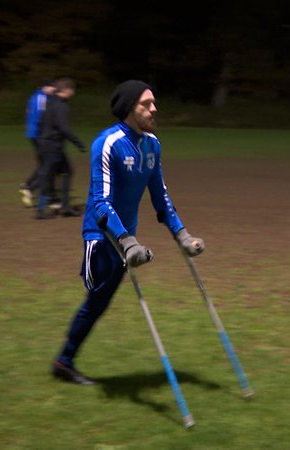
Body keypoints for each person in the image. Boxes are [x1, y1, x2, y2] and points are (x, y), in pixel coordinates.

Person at [51, 80, 206, 384]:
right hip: (101, 237)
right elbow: (100, 202)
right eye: (146, 104)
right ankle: (64, 361)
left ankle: (63, 361)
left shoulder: (152, 144)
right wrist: (127, 242)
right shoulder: (107, 143)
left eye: (153, 102)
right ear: (128, 108)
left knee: (99, 303)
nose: (153, 108)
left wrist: (183, 235)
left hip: (126, 240)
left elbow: (160, 196)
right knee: (97, 300)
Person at [34, 77, 86, 219]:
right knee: (48, 174)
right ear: (67, 90)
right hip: (52, 145)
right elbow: (64, 128)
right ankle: (41, 210)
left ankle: (65, 206)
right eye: (72, 90)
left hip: (46, 143)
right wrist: (78, 143)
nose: (73, 93)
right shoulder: (61, 106)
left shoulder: (49, 103)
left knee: (66, 172)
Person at [19, 80, 56, 207]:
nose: (53, 90)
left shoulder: (34, 97)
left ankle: (45, 192)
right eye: (52, 87)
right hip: (39, 135)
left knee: (45, 163)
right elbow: (41, 117)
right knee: (48, 164)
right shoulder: (42, 98)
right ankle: (29, 187)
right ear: (45, 87)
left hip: (33, 134)